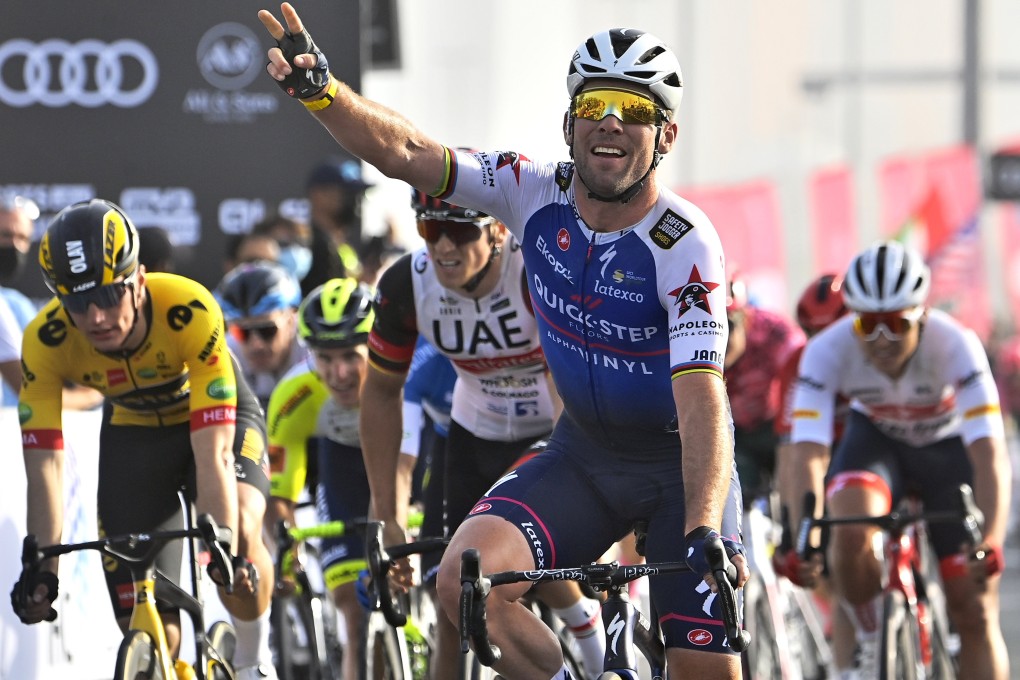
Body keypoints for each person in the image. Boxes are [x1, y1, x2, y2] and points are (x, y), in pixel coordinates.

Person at [257, 8, 748, 679]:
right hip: (582, 454)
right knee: (463, 581)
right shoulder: (530, 188)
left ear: (665, 134)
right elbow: (408, 154)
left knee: (704, 669)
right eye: (594, 103)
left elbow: (700, 398)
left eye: (633, 108)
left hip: (677, 466)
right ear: (570, 123)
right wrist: (324, 91)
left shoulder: (685, 242)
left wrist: (702, 527)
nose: (610, 120)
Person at [11, 199, 279, 680]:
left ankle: (255, 660)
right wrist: (43, 567)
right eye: (76, 302)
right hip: (134, 432)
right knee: (146, 618)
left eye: (110, 295)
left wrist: (222, 541)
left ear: (139, 280)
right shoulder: (45, 340)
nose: (95, 317)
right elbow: (45, 466)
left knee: (240, 539)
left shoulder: (188, 307)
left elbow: (214, 451)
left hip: (218, 424)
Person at [361, 189, 605, 678]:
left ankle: (589, 636)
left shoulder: (535, 270)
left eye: (460, 230)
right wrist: (387, 517)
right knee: (453, 594)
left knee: (530, 559)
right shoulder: (406, 286)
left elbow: (568, 391)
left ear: (497, 230)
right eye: (431, 230)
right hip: (475, 431)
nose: (444, 247)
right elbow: (382, 397)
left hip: (553, 429)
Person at [785, 241, 1011, 680]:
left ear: (921, 316)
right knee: (849, 528)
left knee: (976, 610)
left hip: (947, 454)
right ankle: (874, 642)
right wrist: (803, 538)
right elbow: (807, 454)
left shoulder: (957, 345)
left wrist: (993, 540)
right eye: (868, 325)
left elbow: (989, 453)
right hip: (877, 443)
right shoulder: (826, 350)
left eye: (895, 324)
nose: (881, 339)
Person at [266, 277, 383, 680]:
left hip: (405, 459)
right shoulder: (294, 395)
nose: (339, 373)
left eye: (351, 356)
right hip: (343, 470)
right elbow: (280, 493)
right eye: (325, 358)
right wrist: (287, 554)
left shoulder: (403, 376)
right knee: (353, 607)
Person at [722, 269, 805, 503]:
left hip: (773, 426)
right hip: (731, 434)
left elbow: (806, 372)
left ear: (745, 318)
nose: (717, 336)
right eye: (707, 324)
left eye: (726, 324)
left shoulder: (774, 333)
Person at [214, 260, 306, 410]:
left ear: (291, 321)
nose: (256, 344)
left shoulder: (312, 349)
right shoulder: (227, 353)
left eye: (267, 330)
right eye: (242, 332)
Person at [306, 157, 373, 279]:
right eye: (348, 194)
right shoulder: (307, 247)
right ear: (319, 195)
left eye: (359, 196)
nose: (356, 202)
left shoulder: (344, 248)